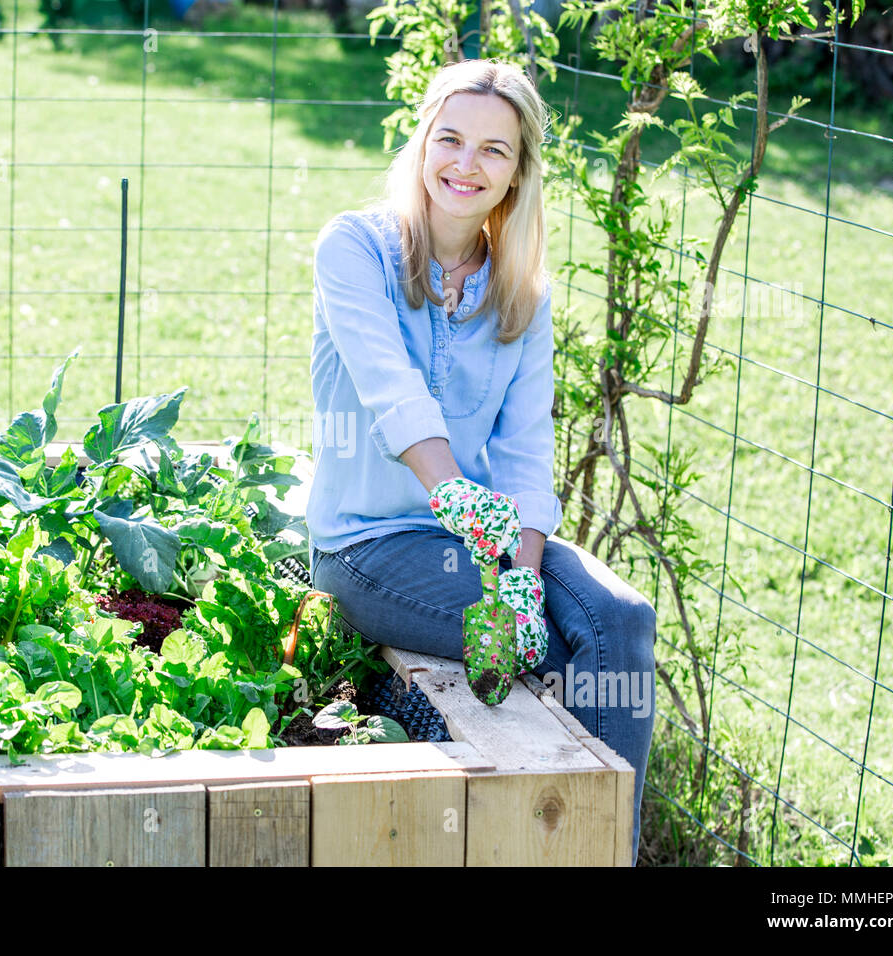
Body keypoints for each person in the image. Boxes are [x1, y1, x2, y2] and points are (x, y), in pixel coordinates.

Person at [305, 58, 657, 865]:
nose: (467, 164)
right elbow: (394, 395)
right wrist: (459, 500)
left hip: (491, 542)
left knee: (622, 623)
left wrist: (523, 574)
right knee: (570, 658)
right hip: (371, 545)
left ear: (518, 173)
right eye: (452, 139)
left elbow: (530, 451)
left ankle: (612, 855)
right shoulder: (354, 249)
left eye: (494, 151)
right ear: (423, 141)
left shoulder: (519, 291)